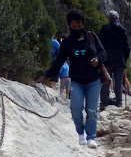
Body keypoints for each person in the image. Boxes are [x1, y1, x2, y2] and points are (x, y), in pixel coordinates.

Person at [36, 9, 106, 149]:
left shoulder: (92, 37)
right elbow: (59, 61)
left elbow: (103, 52)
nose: (76, 29)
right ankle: (80, 133)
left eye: (79, 26)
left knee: (92, 110)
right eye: (73, 27)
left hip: (93, 80)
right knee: (75, 108)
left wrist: (97, 59)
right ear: (69, 26)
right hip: (77, 81)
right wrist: (46, 76)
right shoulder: (67, 42)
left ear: (83, 24)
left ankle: (91, 136)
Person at [99, 10, 130, 109]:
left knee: (106, 80)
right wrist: (125, 58)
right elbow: (126, 47)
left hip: (107, 59)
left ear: (109, 18)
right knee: (119, 81)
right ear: (118, 19)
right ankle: (118, 102)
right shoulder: (123, 30)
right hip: (120, 60)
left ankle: (104, 101)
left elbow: (100, 44)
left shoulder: (105, 28)